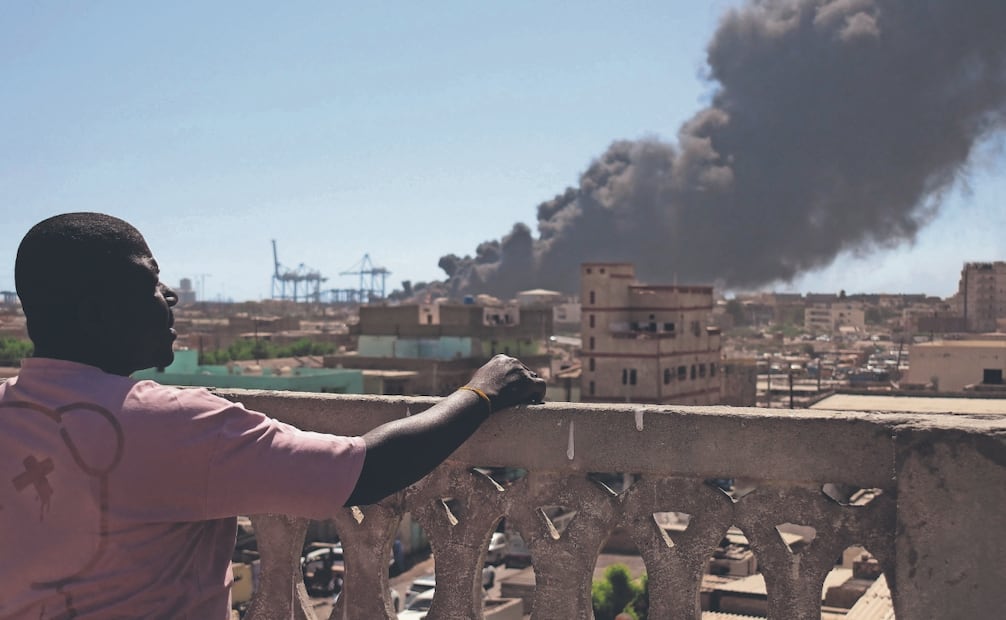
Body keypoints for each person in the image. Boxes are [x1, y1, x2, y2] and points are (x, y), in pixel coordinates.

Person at [0, 212, 546, 619]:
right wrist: (481, 394)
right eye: (149, 281)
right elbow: (364, 470)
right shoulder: (176, 426)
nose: (170, 296)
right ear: (98, 312)